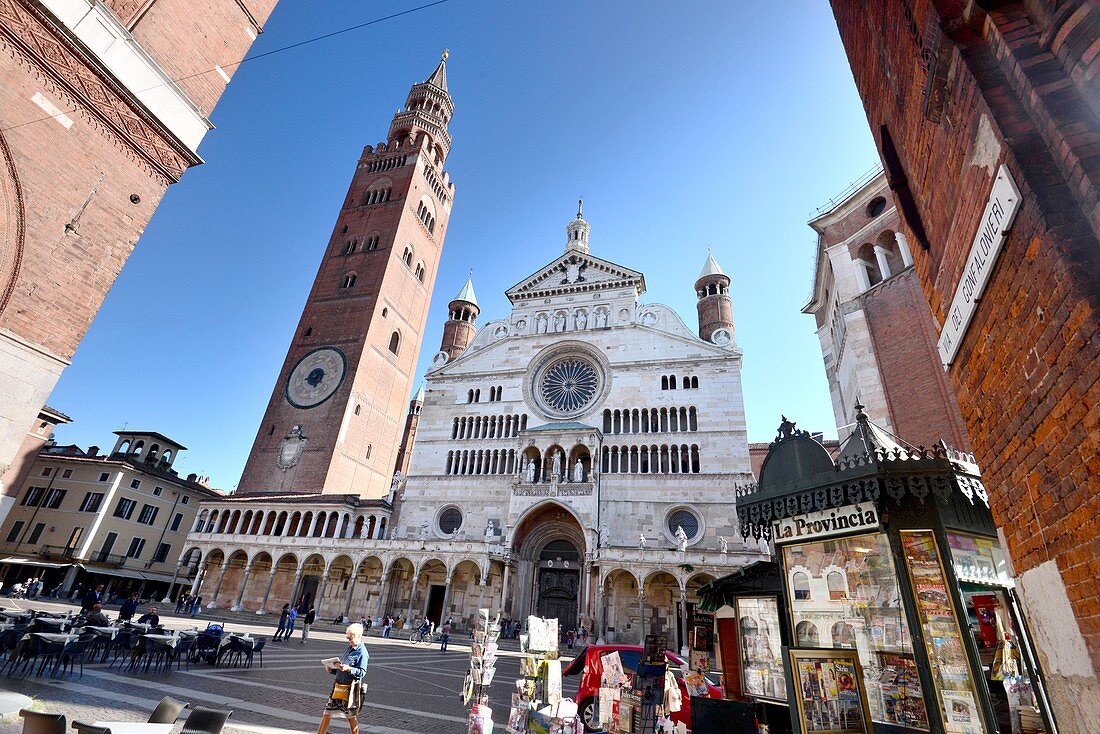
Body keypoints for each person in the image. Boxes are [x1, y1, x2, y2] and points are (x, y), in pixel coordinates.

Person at [316, 623, 368, 734]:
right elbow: (342, 667)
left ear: (358, 636)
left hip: (349, 689)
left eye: (351, 637)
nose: (349, 640)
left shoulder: (362, 652)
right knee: (327, 713)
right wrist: (332, 669)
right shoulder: (350, 648)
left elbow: (362, 672)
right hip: (338, 687)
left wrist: (349, 669)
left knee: (351, 716)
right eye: (347, 637)